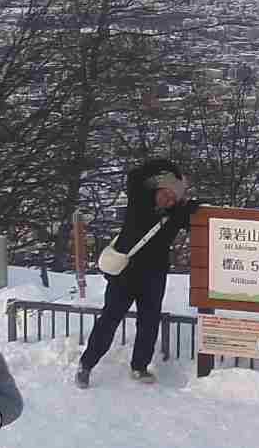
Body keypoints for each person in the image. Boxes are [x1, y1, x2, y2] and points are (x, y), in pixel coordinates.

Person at [76, 158, 200, 387]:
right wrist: (170, 167)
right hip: (125, 274)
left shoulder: (176, 214)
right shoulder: (140, 199)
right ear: (159, 188)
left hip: (154, 276)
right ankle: (86, 364)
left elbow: (198, 211)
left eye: (173, 198)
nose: (168, 200)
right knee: (109, 319)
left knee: (149, 322)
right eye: (166, 193)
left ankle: (140, 366)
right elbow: (136, 174)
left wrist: (190, 202)